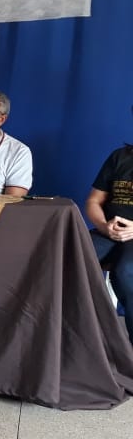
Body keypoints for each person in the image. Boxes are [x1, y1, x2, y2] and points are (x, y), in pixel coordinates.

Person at [85, 140, 133, 342]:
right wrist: (104, 226)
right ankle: (76, 339)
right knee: (68, 259)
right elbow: (94, 201)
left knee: (126, 272)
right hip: (109, 232)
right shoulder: (120, 156)